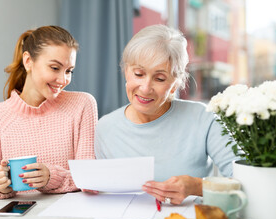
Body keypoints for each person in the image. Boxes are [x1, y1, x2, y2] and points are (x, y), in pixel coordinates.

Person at [94, 25, 240, 204]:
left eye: (160, 79)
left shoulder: (204, 118)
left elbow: (244, 181)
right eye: (139, 74)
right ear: (126, 71)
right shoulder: (105, 128)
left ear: (176, 83)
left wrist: (197, 186)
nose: (146, 88)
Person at [0, 26, 98, 200]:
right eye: (54, 68)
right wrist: (0, 187)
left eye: (69, 71)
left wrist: (51, 178)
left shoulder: (82, 104)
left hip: (68, 217)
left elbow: (90, 178)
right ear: (28, 61)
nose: (63, 80)